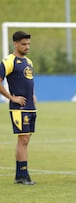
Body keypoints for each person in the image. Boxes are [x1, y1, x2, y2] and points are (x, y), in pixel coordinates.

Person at [0, 31, 36, 185]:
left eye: (28, 44)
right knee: (23, 139)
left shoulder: (28, 61)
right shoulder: (9, 61)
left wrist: (33, 95)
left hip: (30, 106)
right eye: (23, 44)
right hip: (18, 107)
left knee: (26, 139)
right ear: (15, 43)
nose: (27, 46)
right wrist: (11, 97)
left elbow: (28, 82)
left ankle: (19, 175)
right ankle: (23, 175)